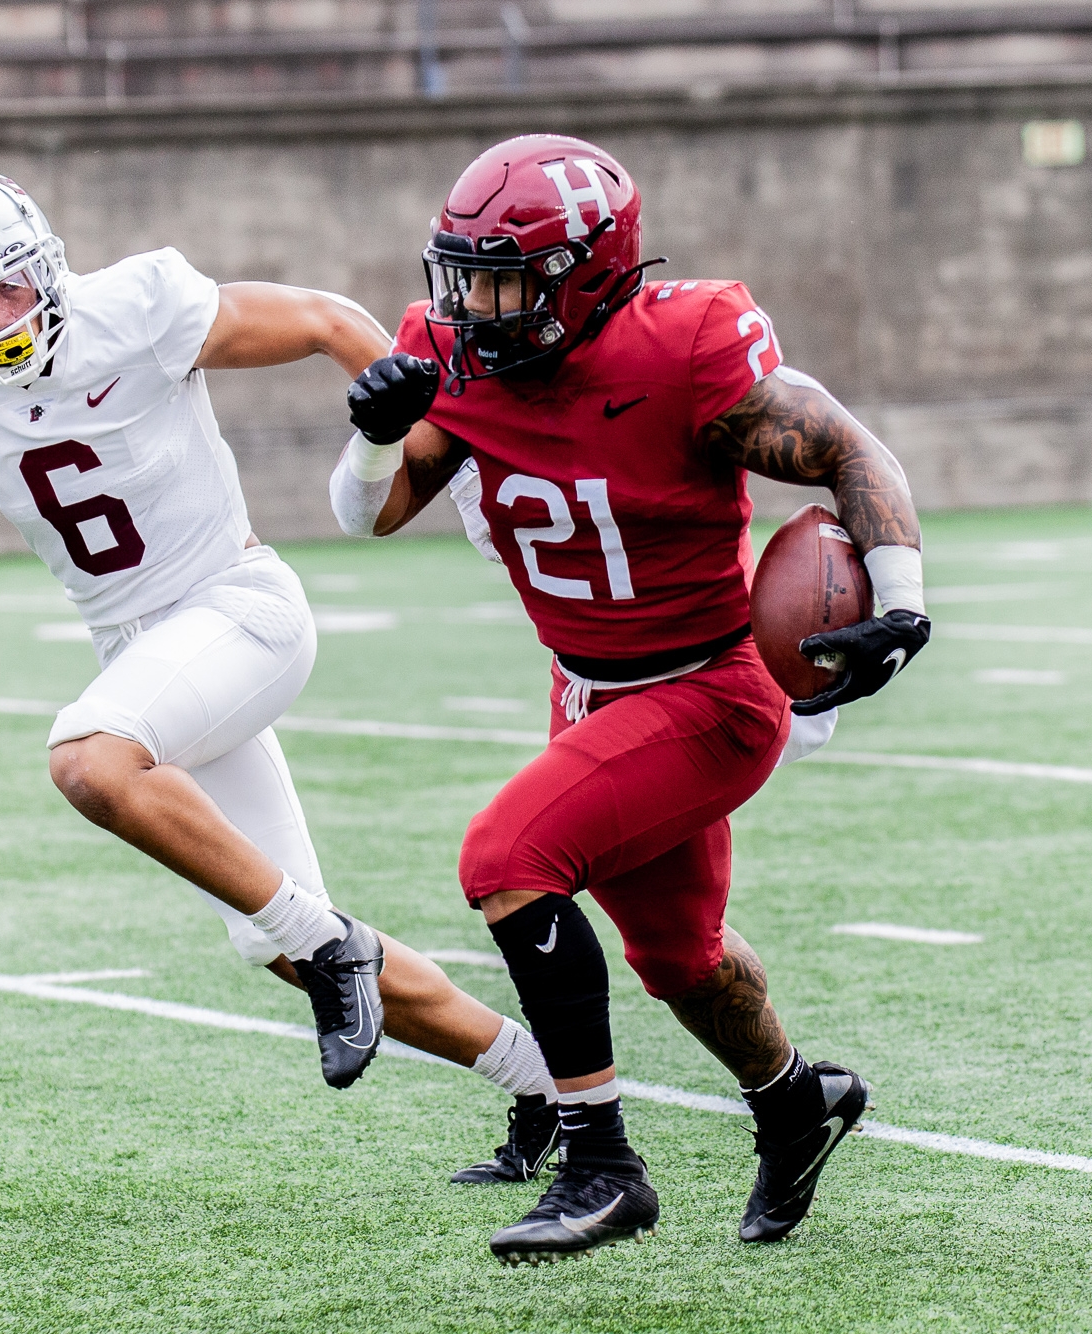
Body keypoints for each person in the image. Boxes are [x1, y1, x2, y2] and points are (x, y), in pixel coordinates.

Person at [0, 167, 565, 1168]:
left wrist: (448, 447)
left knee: (90, 759)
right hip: (145, 655)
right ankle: (541, 1083)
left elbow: (324, 318)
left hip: (236, 608)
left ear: (44, 264)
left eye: (7, 285)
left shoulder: (134, 305)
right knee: (273, 937)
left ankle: (336, 949)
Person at [332, 134, 931, 1262]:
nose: (473, 304)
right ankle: (795, 1103)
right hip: (585, 689)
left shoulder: (685, 345)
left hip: (713, 689)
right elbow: (369, 513)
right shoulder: (451, 354)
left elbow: (847, 448)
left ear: (589, 273)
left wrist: (897, 599)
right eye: (459, 275)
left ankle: (601, 1164)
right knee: (680, 958)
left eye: (502, 278)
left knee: (503, 857)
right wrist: (372, 442)